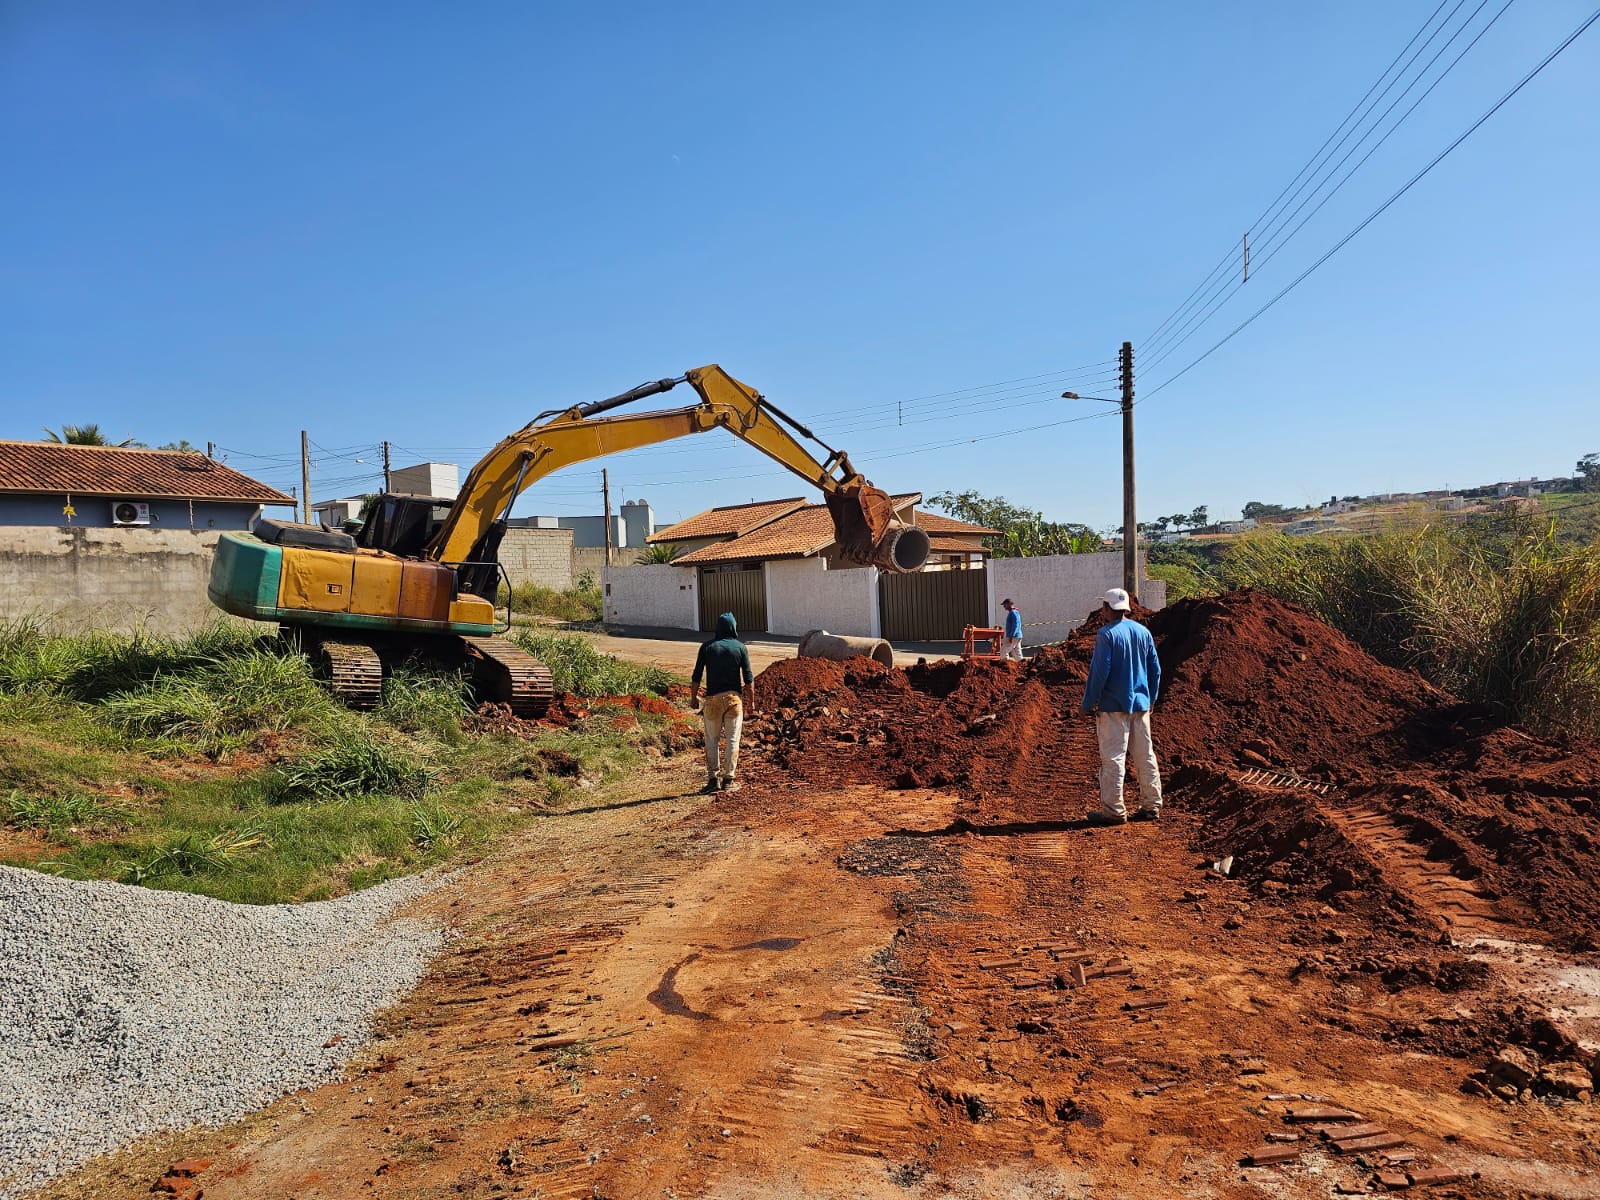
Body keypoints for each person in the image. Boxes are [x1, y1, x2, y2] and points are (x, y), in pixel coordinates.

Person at [1079, 587, 1162, 825]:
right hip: (1141, 704)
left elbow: (1099, 672)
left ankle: (1114, 811)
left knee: (1114, 758)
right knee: (1145, 755)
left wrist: (1087, 703)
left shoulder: (1106, 635)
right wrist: (1151, 699)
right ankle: (1151, 805)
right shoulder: (1143, 632)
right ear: (1126, 608)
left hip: (1113, 706)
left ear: (1107, 608)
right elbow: (1155, 670)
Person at [691, 611, 756, 794]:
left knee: (712, 740)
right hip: (734, 700)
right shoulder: (740, 648)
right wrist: (751, 704)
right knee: (733, 739)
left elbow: (696, 675)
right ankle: (729, 780)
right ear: (733, 627)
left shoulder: (707, 647)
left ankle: (713, 781)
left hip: (712, 701)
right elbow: (748, 679)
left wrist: (693, 698)